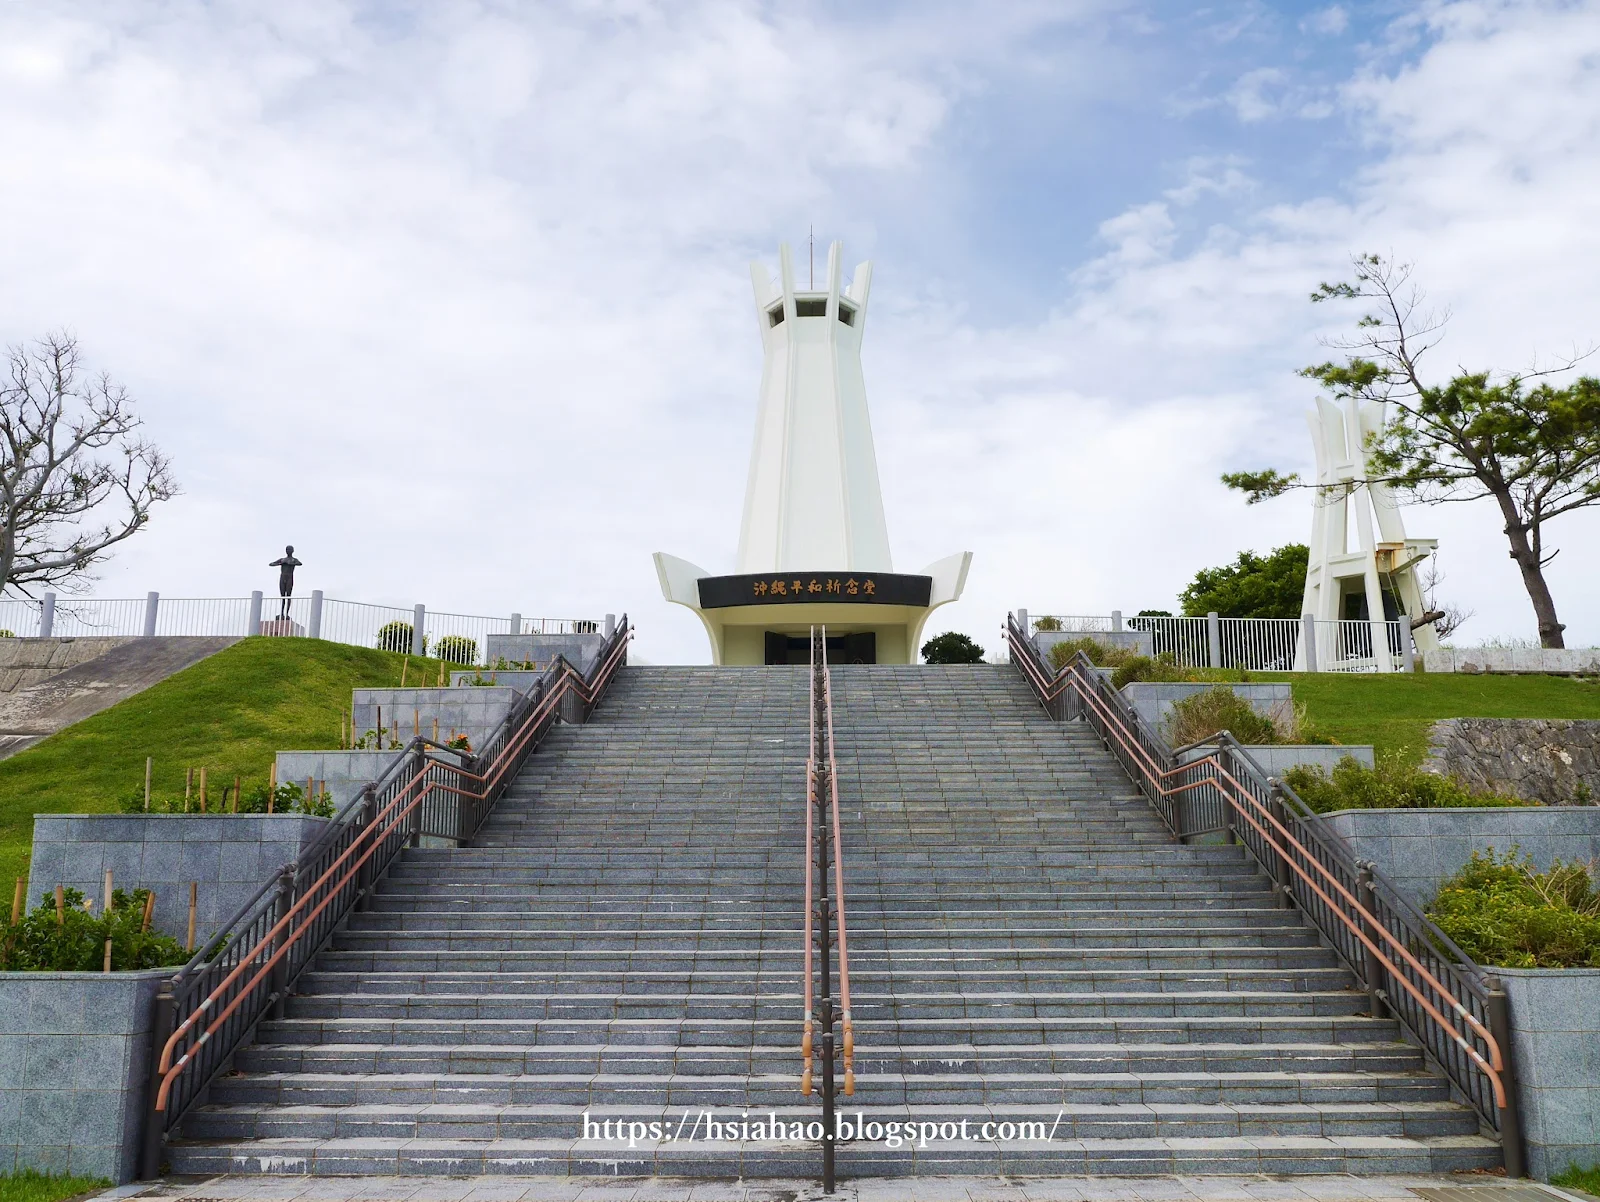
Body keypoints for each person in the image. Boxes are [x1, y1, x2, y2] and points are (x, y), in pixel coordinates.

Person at [269, 546, 303, 621]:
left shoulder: (294, 559)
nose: (288, 551)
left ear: (292, 551)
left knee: (288, 596)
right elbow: (271, 564)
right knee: (282, 596)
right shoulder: (282, 559)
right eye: (287, 550)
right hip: (282, 577)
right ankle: (281, 613)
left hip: (289, 577)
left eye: (290, 550)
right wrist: (281, 562)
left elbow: (300, 563)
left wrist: (290, 563)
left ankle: (286, 613)